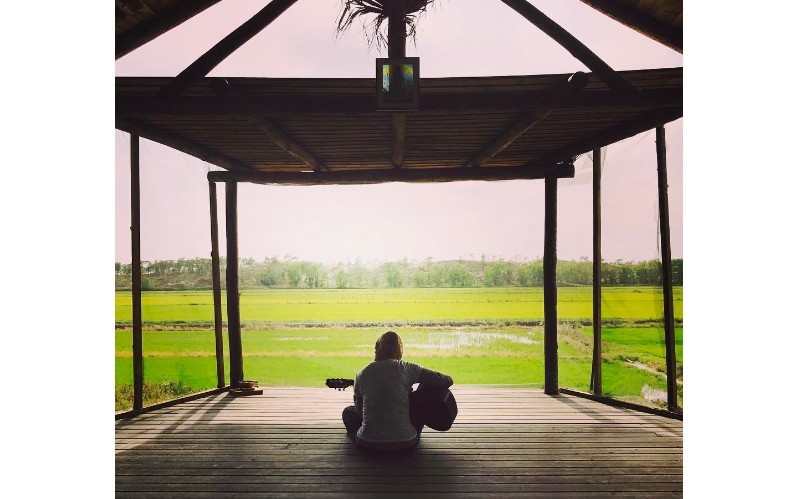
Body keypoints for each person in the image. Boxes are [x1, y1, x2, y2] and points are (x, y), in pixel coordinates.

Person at [341, 331, 454, 452]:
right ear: (400, 349)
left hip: (368, 445)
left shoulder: (361, 374)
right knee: (416, 405)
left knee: (348, 412)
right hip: (407, 444)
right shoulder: (408, 368)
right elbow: (447, 381)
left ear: (376, 348)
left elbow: (359, 413)